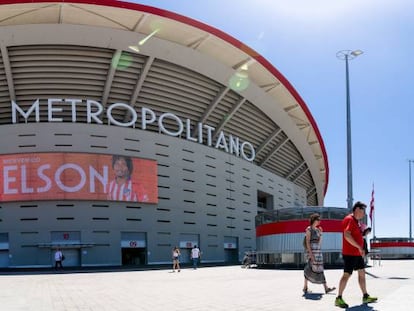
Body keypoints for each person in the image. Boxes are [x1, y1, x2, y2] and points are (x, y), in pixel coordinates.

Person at [335, 201, 378, 308]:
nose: (364, 214)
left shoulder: (357, 222)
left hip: (357, 254)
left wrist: (362, 248)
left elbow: (358, 236)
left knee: (362, 274)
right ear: (358, 209)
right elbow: (347, 235)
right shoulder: (349, 219)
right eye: (363, 211)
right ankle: (338, 298)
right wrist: (359, 247)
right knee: (347, 275)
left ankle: (365, 295)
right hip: (350, 253)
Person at [303, 213, 336, 294]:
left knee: (320, 269)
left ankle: (326, 288)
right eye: (318, 220)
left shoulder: (317, 230)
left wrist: (321, 234)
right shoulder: (309, 229)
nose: (319, 221)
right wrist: (310, 254)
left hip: (318, 251)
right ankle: (305, 287)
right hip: (312, 251)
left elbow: (319, 242)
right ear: (314, 220)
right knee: (309, 268)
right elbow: (307, 242)